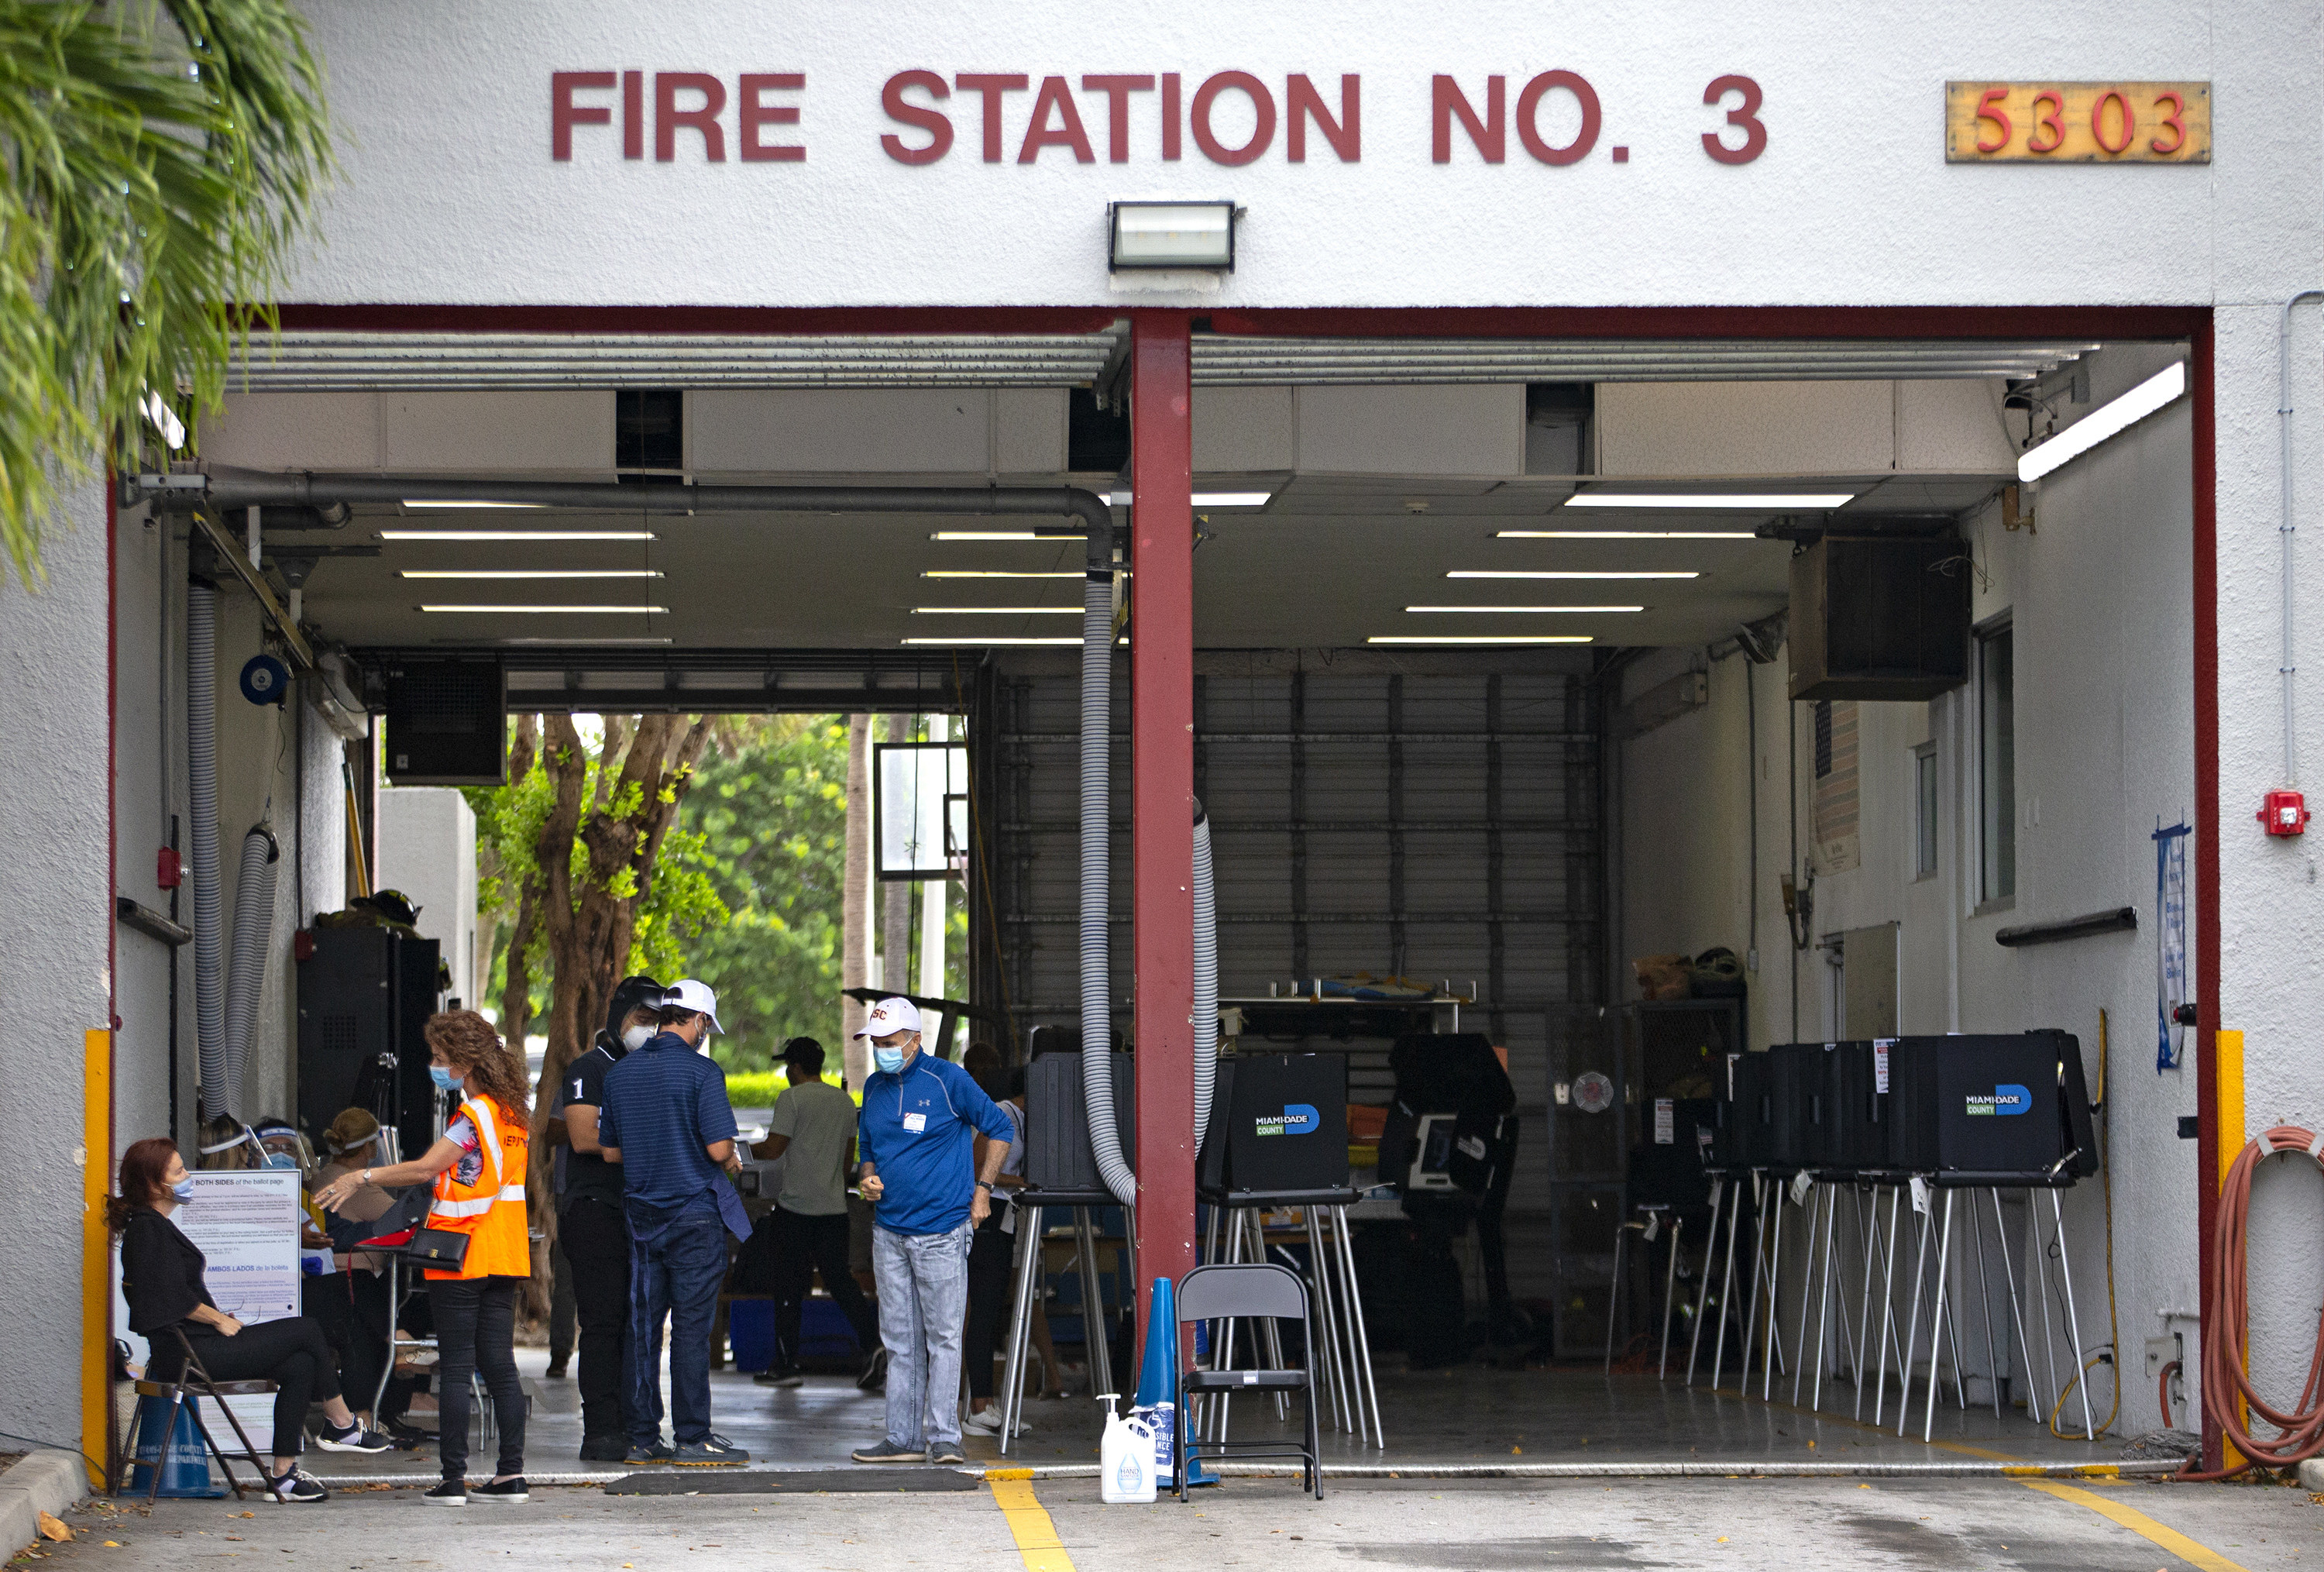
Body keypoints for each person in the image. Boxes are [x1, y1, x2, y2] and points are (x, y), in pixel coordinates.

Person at [315, 1010, 532, 1506]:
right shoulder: (514, 1113)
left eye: (439, 1058)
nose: (434, 1066)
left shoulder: (473, 1115)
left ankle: (453, 1481)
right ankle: (511, 1476)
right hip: (505, 1253)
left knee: (455, 1368)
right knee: (501, 1366)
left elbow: (427, 1169)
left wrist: (359, 1177)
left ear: (463, 1061)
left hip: (459, 1254)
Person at [113, 1137, 393, 1505]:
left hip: (193, 1347)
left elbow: (170, 1291)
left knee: (301, 1362)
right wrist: (216, 1319)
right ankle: (343, 1425)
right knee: (306, 1328)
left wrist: (215, 1319)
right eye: (179, 1171)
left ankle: (284, 1476)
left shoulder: (153, 1226)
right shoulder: (148, 1228)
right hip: (188, 1354)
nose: (187, 1176)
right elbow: (163, 1297)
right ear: (153, 1184)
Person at [848, 998, 1014, 1467]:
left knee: (943, 1337)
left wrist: (983, 1190)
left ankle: (944, 1437)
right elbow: (867, 1144)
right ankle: (901, 1438)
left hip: (942, 1230)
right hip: (889, 1233)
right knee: (899, 1340)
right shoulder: (875, 1088)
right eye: (874, 1042)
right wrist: (867, 1176)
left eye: (888, 1042)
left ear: (915, 1040)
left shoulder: (949, 1081)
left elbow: (1000, 1129)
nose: (880, 1049)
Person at [597, 979, 752, 1466]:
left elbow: (608, 1150)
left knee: (644, 1328)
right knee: (690, 1328)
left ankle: (642, 1438)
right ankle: (692, 1436)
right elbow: (718, 1148)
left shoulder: (619, 1075)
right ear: (700, 1020)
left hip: (641, 1218)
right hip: (694, 1218)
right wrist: (729, 1161)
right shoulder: (704, 1074)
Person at [549, 973, 665, 1459]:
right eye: (642, 1020)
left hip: (636, 1212)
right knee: (601, 1322)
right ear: (619, 1019)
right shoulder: (590, 1068)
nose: (649, 1031)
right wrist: (649, 1145)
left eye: (658, 1022)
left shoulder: (652, 1072)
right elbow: (581, 1137)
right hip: (593, 1210)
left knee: (635, 1324)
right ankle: (598, 1429)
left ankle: (632, 1424)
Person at [748, 1037, 879, 1388]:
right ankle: (874, 1344)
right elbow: (848, 1154)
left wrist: (738, 1149)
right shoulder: (844, 1100)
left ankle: (787, 1364)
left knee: (789, 1285)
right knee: (841, 1282)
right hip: (834, 1210)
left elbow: (774, 1149)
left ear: (795, 1067)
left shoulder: (791, 1098)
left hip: (795, 1209)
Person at [959, 1044, 1030, 1435]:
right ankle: (978, 1406)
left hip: (1003, 1217)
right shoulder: (1002, 1113)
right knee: (983, 1311)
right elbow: (976, 1165)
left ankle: (983, 1399)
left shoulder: (1019, 1119)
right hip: (986, 1216)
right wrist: (1021, 1181)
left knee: (990, 1310)